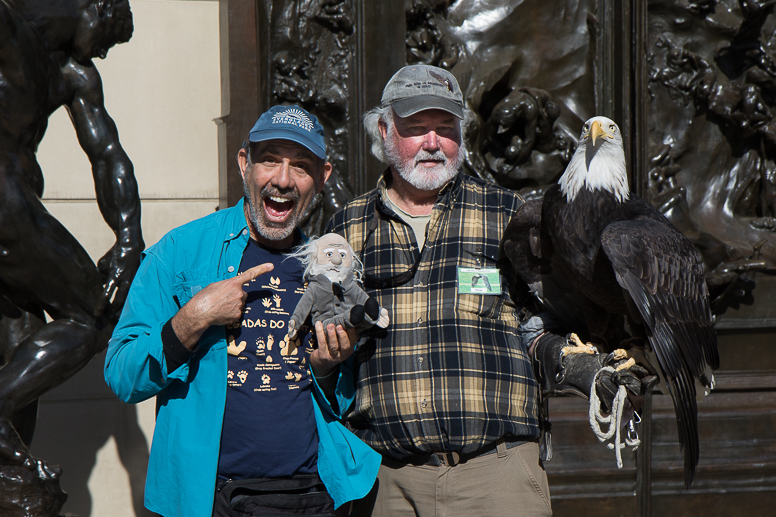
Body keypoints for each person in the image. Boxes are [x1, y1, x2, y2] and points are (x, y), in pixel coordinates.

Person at [323, 64, 644, 516]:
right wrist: (323, 358)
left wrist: (581, 367)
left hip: (498, 476)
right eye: (416, 129)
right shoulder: (346, 229)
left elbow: (540, 328)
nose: (432, 143)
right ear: (383, 129)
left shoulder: (511, 217)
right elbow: (326, 356)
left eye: (445, 128)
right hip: (386, 483)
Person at [104, 105, 380, 517]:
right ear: (244, 163)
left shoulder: (326, 267)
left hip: (313, 495)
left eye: (300, 166)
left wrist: (325, 367)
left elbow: (339, 402)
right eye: (270, 159)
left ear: (322, 179)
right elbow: (122, 374)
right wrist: (192, 318)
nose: (283, 180)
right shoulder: (179, 252)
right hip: (212, 498)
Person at [0, 0, 141, 505]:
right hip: (7, 205)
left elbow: (108, 156)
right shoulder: (9, 24)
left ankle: (9, 464)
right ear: (95, 9)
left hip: (15, 207)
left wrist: (129, 238)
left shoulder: (72, 73)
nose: (104, 51)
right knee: (91, 313)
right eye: (108, 36)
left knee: (25, 342)